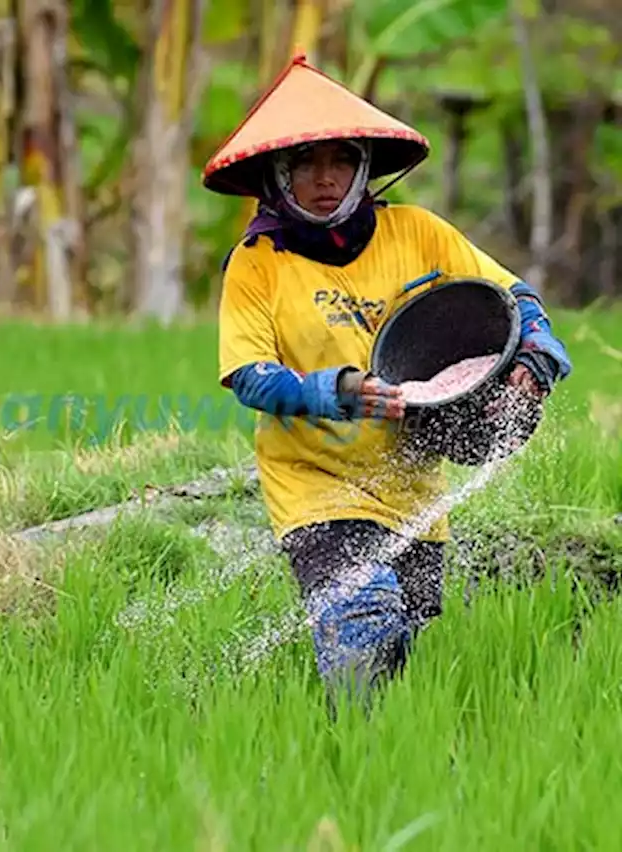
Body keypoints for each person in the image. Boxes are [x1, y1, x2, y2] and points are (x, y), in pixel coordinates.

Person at [201, 55, 573, 706]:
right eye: (305, 165)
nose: (324, 180)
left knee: (405, 667)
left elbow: (518, 299)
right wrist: (338, 391)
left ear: (364, 168)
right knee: (360, 622)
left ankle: (387, 770)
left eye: (340, 160)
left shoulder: (419, 233)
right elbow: (251, 375)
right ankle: (351, 773)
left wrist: (535, 361)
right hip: (317, 489)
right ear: (277, 176)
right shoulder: (258, 265)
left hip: (415, 496)